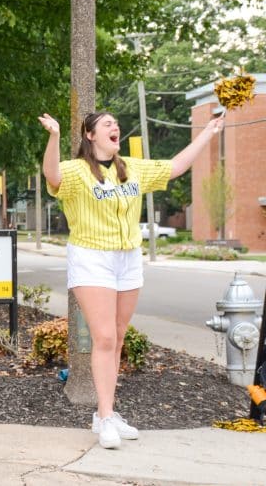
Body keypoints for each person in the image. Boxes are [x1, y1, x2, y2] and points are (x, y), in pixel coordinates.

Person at [38, 111, 223, 449]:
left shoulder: (132, 168)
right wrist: (54, 136)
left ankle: (104, 413)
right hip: (92, 257)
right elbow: (52, 174)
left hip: (128, 258)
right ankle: (106, 418)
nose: (115, 127)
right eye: (106, 124)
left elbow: (176, 166)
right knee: (104, 337)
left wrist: (208, 133)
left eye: (116, 124)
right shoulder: (79, 172)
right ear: (90, 135)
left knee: (118, 337)